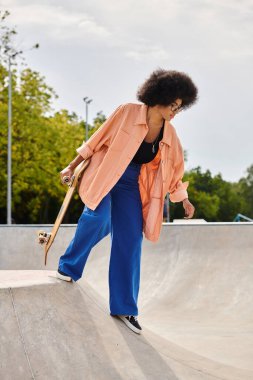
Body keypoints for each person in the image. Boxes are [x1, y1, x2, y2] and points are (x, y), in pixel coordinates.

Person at [57, 68, 198, 334]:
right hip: (105, 172)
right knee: (98, 217)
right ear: (159, 96)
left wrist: (183, 200)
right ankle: (68, 267)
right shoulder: (127, 112)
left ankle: (124, 307)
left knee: (131, 239)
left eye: (180, 108)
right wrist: (70, 167)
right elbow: (96, 141)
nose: (175, 112)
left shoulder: (170, 135)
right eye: (173, 105)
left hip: (131, 184)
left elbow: (176, 170)